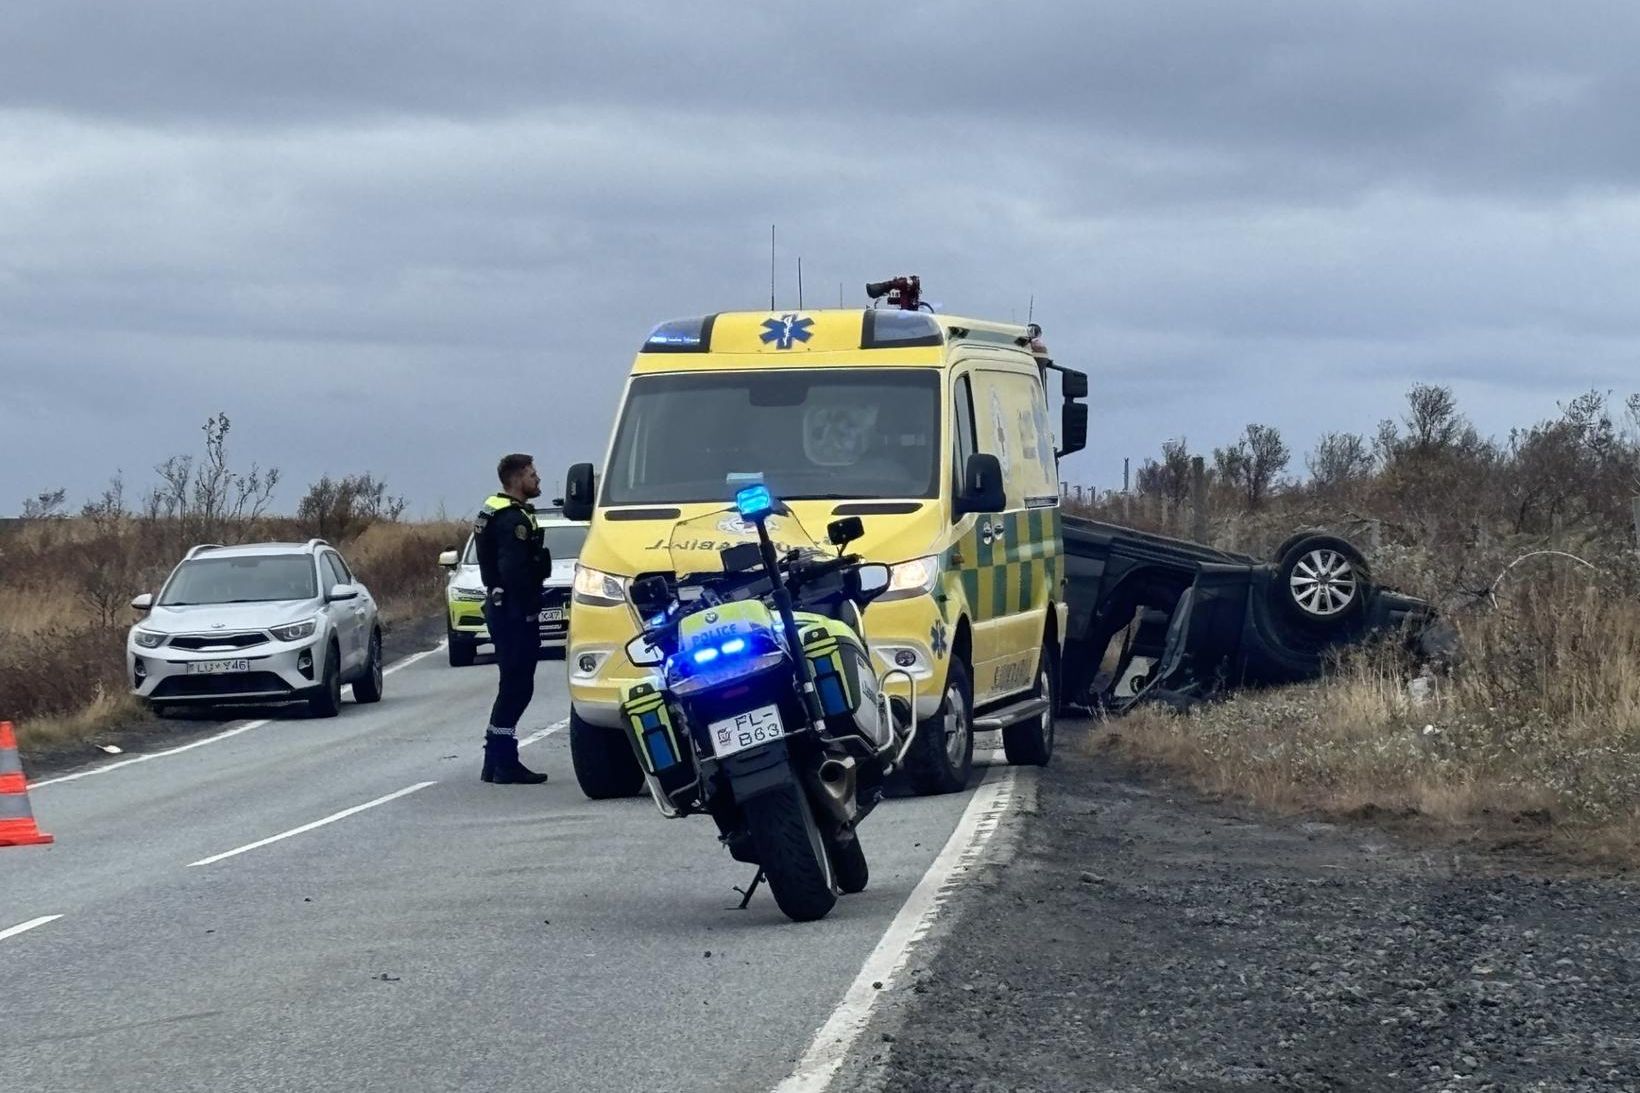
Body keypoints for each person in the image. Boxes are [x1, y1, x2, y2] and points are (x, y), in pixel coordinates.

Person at [473, 453, 552, 784]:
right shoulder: (511, 520)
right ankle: (504, 761)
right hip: (514, 611)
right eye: (532, 474)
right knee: (518, 686)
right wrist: (531, 606)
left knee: (512, 684)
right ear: (517, 478)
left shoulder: (492, 510)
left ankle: (495, 760)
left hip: (501, 607)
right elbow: (513, 570)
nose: (538, 479)